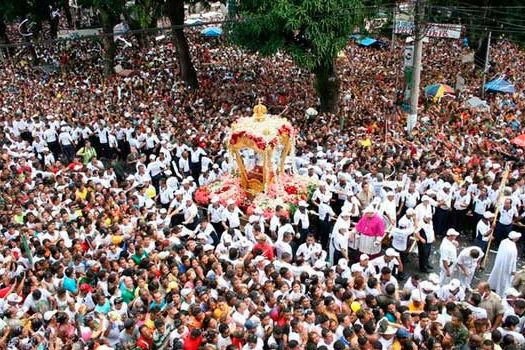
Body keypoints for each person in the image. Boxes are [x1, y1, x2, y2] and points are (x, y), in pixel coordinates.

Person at [488, 231, 522, 296]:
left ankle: (493, 286)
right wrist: (512, 271)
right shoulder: (513, 249)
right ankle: (501, 292)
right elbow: (512, 261)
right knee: (504, 280)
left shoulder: (504, 241)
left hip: (499, 263)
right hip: (506, 267)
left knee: (496, 275)